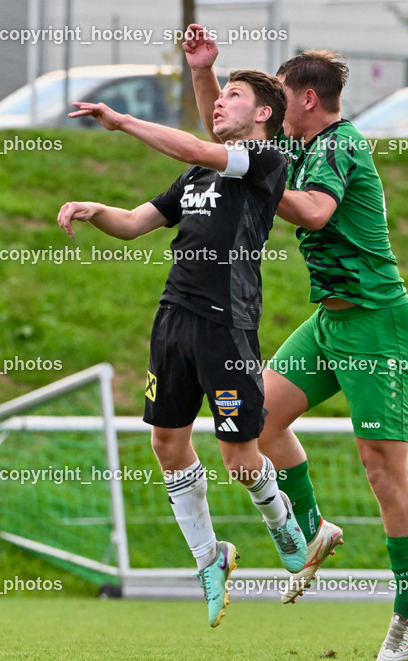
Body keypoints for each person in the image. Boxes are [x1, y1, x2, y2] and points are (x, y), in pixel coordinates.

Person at [185, 26, 408, 661]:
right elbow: (229, 137)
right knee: (260, 421)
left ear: (309, 101)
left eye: (282, 98)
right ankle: (315, 525)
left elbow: (317, 213)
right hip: (332, 323)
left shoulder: (341, 146)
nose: (272, 106)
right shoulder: (297, 143)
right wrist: (204, 73)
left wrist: (261, 178)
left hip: (378, 324)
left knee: (384, 470)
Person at [57, 70, 304, 628]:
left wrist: (119, 122)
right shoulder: (195, 176)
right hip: (173, 322)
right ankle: (209, 558)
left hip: (227, 326)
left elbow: (196, 144)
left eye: (233, 96)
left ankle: (281, 521)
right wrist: (95, 210)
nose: (220, 102)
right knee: (167, 444)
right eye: (218, 95)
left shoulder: (265, 162)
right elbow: (135, 223)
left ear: (264, 113)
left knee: (240, 459)